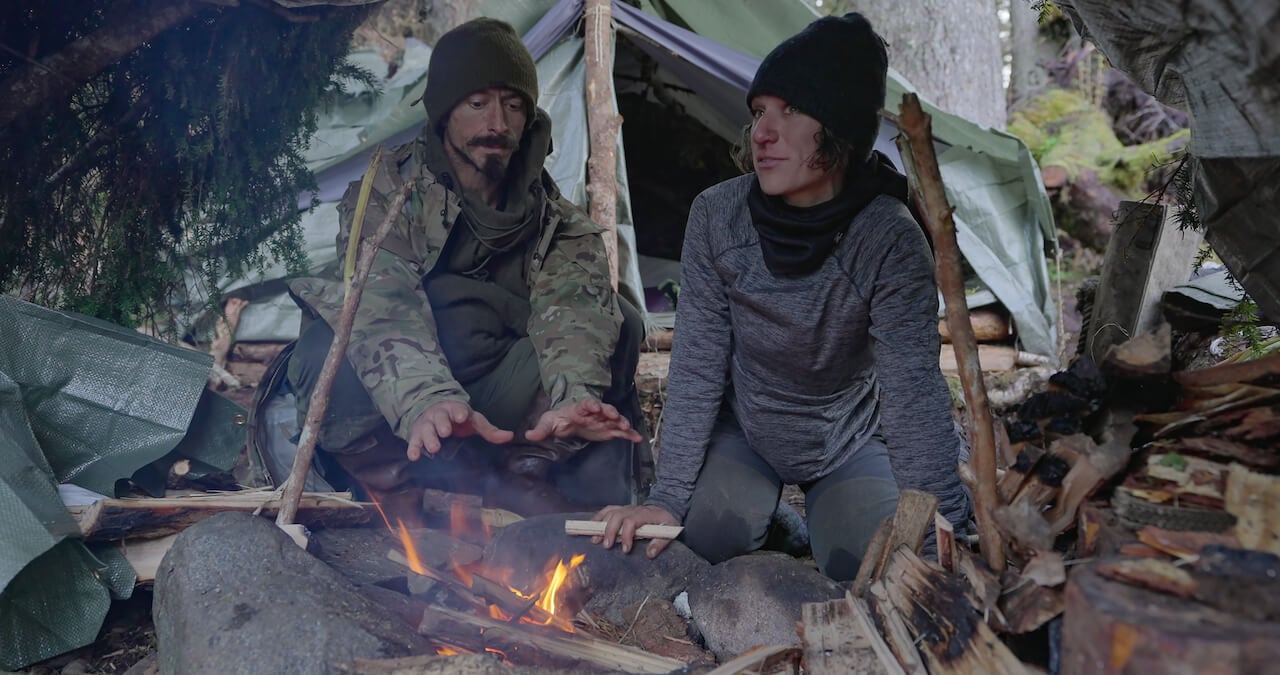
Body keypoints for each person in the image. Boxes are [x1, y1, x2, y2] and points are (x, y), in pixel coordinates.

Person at [590, 13, 969, 581]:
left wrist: (951, 524)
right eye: (759, 112)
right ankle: (777, 530)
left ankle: (824, 522)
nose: (761, 133)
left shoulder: (889, 237)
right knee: (705, 534)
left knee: (872, 557)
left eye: (789, 110)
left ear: (839, 127)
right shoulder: (718, 216)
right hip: (747, 427)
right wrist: (665, 497)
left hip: (847, 437)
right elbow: (696, 363)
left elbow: (912, 391)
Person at [281, 18, 649, 525]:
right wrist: (428, 400)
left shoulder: (557, 221)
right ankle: (397, 493)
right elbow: (382, 308)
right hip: (411, 402)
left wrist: (575, 396)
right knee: (328, 347)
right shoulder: (389, 194)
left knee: (621, 319)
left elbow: (576, 314)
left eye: (513, 104)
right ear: (445, 111)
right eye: (478, 103)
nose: (496, 122)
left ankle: (522, 478)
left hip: (499, 397)